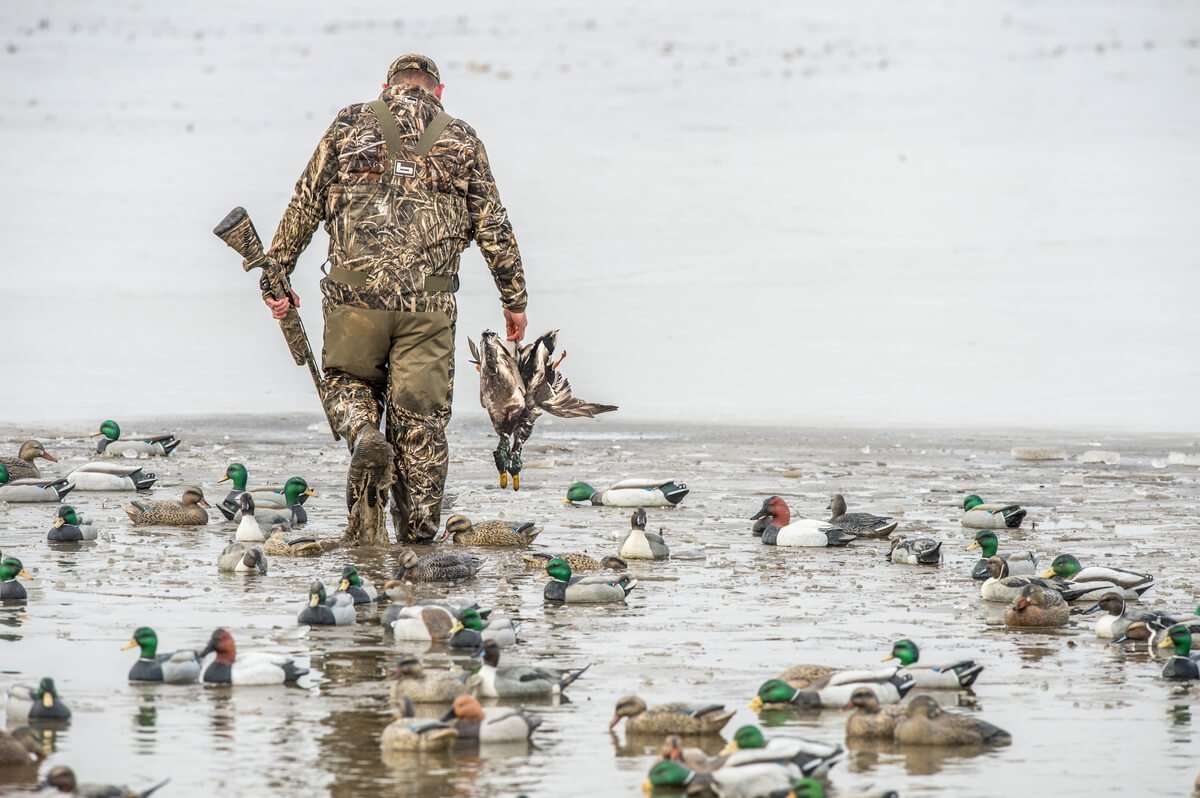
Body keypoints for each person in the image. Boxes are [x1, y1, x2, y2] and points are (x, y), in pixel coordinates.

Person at [262, 53, 528, 543]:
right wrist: (514, 300)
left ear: (386, 88)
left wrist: (276, 275)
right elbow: (494, 225)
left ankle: (363, 433)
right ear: (438, 92)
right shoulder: (462, 138)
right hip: (427, 309)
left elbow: (305, 200)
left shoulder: (348, 123)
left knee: (347, 382)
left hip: (352, 299)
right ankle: (420, 534)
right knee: (421, 423)